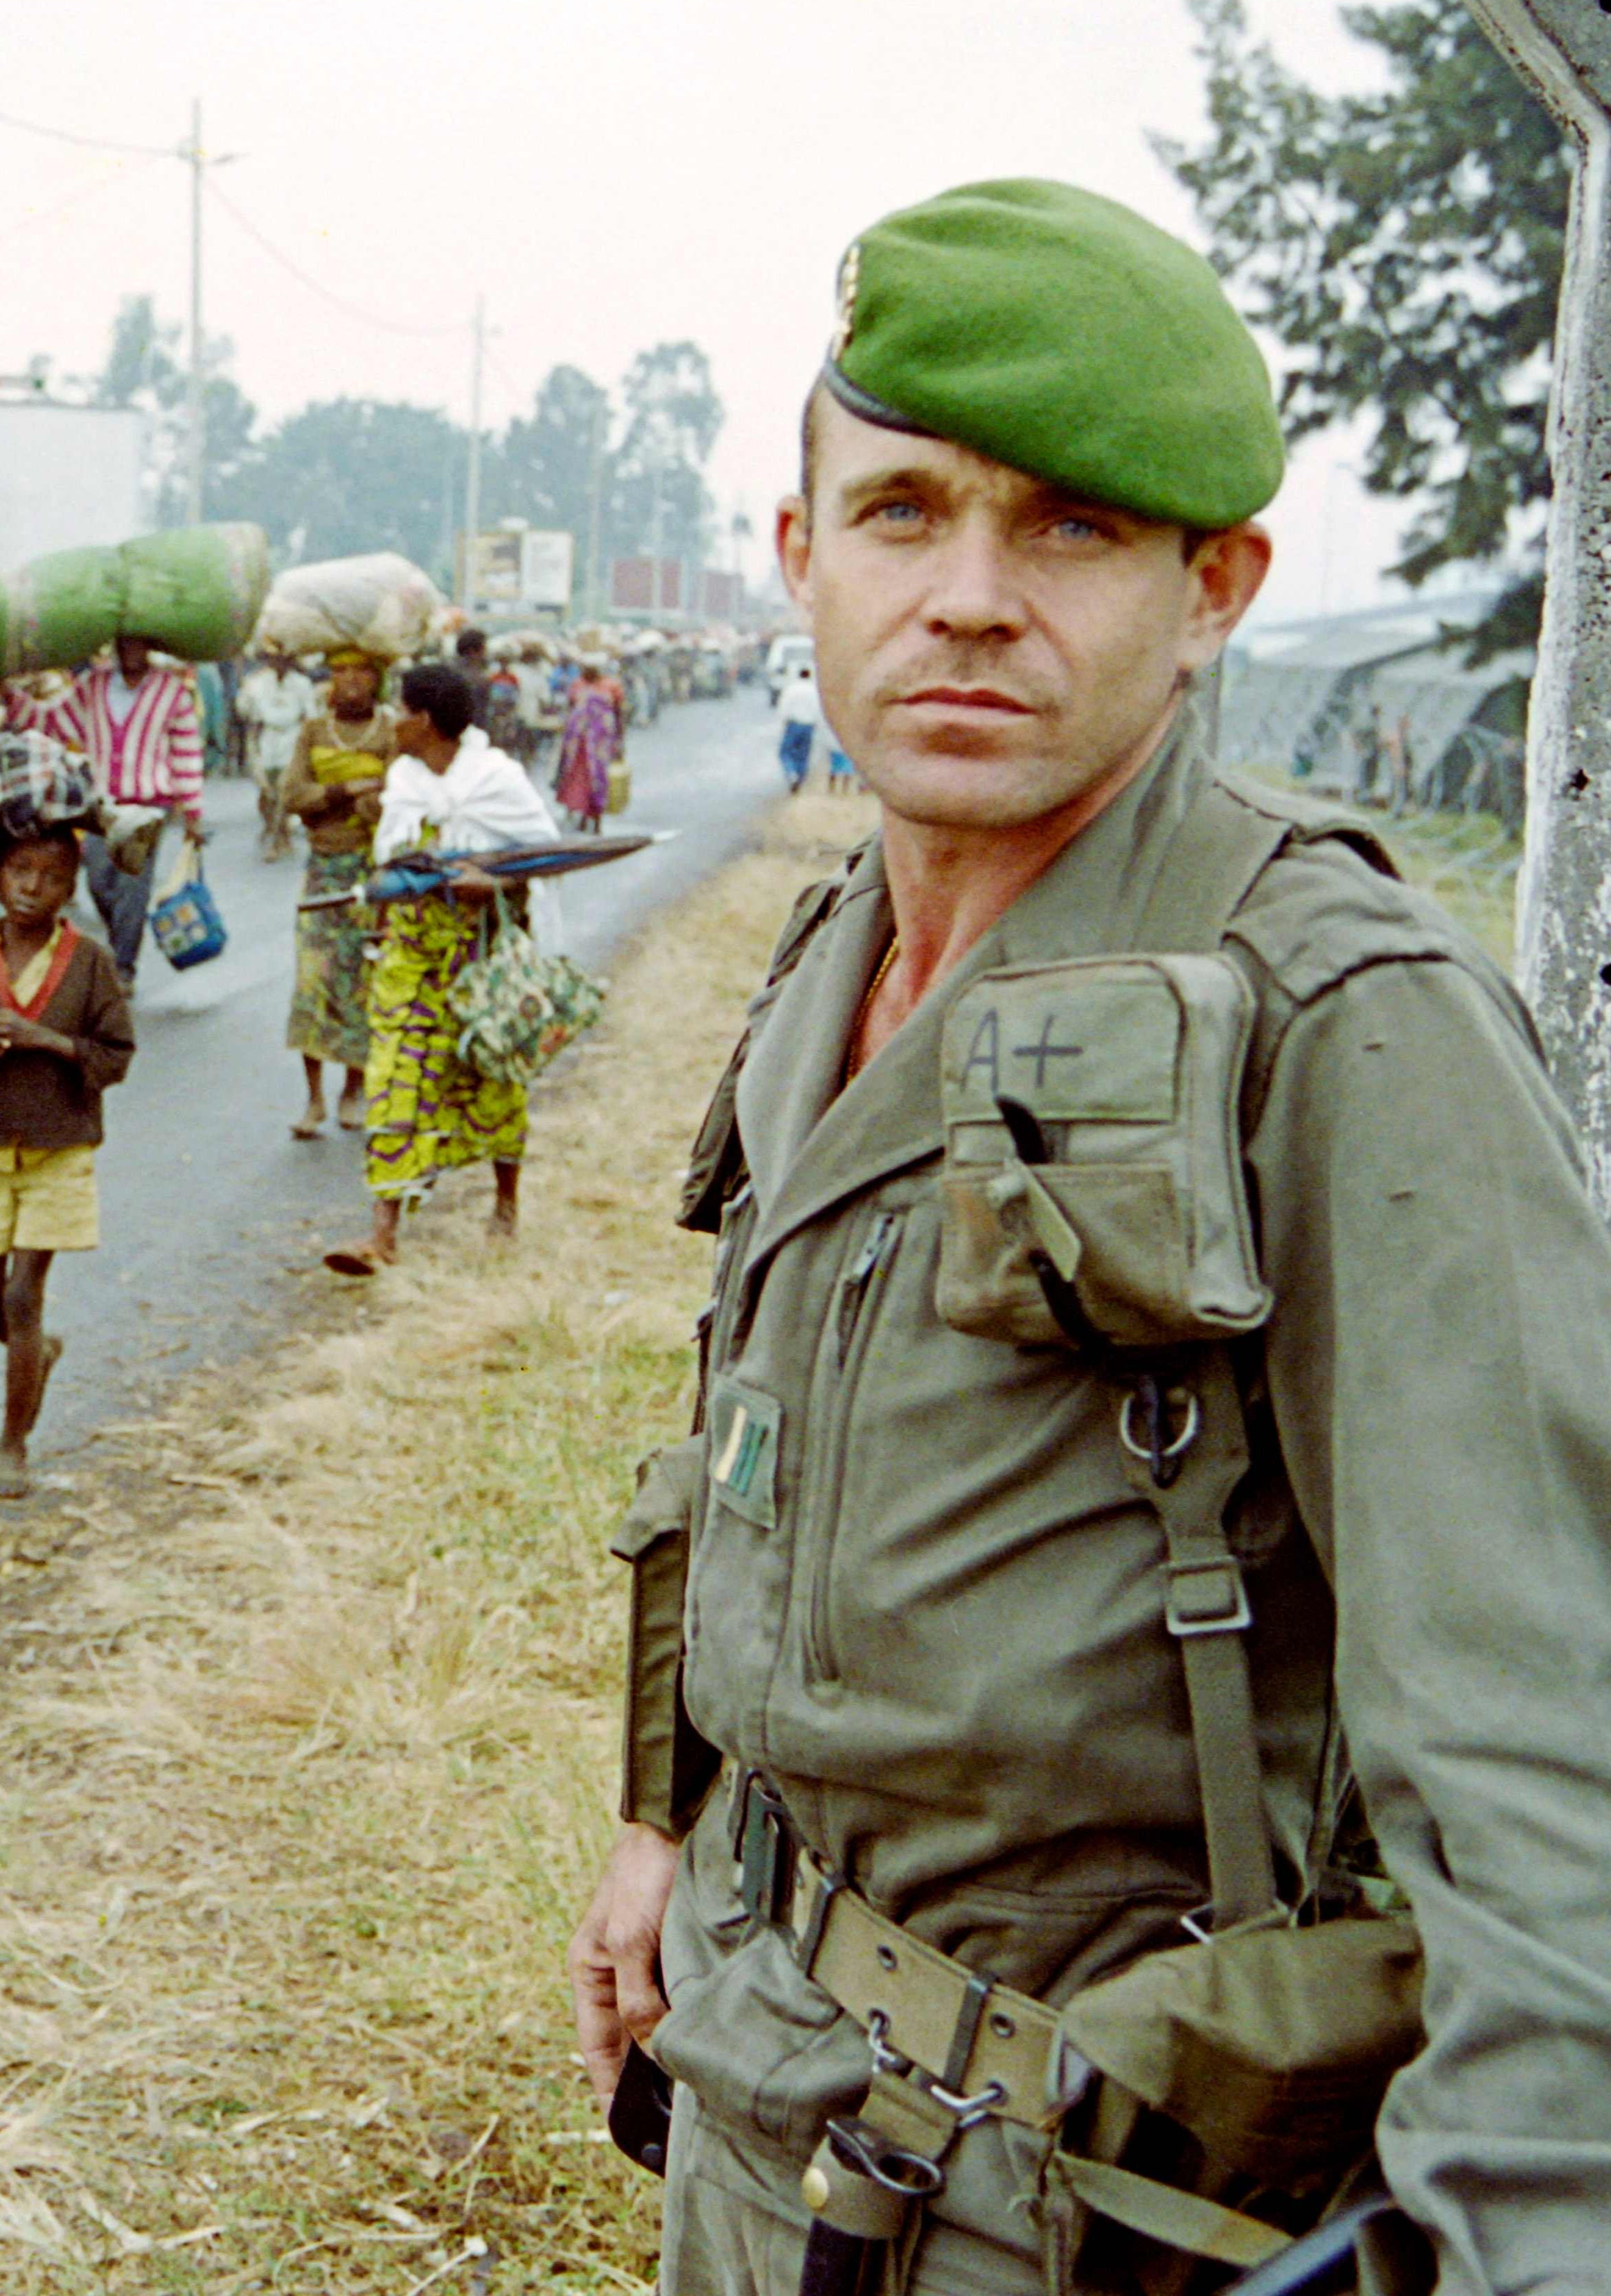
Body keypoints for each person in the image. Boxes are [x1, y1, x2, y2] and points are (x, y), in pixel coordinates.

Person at [567, 179, 1611, 2293]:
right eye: (901, 513)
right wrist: (671, 1819)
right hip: (766, 2097)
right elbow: (754, 1443)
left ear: (1210, 584)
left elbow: (1546, 1779)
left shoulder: (1332, 1012)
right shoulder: (833, 957)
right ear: (798, 560)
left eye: (1064, 528)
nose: (965, 595)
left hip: (1080, 2196)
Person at [0, 822, 135, 1499]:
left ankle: (12, 1447)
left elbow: (116, 1054)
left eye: (47, 875)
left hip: (57, 1148)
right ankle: (36, 1355)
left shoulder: (91, 963)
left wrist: (48, 1041)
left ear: (71, 888)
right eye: (17, 870)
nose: (30, 887)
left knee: (20, 1295)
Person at [320, 662, 558, 1275]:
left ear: (424, 720)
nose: (392, 722)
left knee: (493, 1078)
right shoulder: (403, 780)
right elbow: (391, 861)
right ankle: (383, 1236)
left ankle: (506, 1203)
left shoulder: (497, 779)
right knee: (395, 1079)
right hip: (410, 961)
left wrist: (493, 881)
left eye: (400, 711)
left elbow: (545, 852)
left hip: (480, 962)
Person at [11, 634, 204, 981]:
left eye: (137, 645)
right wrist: (11, 697)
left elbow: (186, 750)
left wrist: (193, 811)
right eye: (123, 645)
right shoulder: (93, 686)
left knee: (133, 886)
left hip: (149, 805)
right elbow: (53, 721)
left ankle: (124, 965)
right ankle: (121, 942)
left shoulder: (172, 691)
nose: (129, 652)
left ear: (150, 648)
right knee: (99, 880)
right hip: (101, 804)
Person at [280, 650, 398, 1139]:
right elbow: (294, 796)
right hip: (322, 872)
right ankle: (313, 1099)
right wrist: (348, 789)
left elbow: (391, 801)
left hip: (369, 876)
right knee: (313, 981)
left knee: (361, 982)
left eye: (361, 671)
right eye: (341, 670)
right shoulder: (313, 730)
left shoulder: (391, 732)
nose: (351, 681)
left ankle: (353, 1090)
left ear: (376, 678)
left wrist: (337, 798)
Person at [238, 652, 320, 855]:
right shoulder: (256, 683)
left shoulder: (302, 683)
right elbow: (246, 713)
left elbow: (309, 716)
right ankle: (274, 831)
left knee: (284, 791)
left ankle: (279, 839)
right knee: (267, 792)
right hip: (267, 740)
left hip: (292, 739)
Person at [551, 656, 620, 833]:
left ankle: (597, 821)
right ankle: (581, 816)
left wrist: (620, 741)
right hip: (578, 745)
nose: (587, 674)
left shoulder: (611, 686)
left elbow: (619, 714)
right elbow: (570, 710)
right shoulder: (576, 686)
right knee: (579, 780)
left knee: (599, 781)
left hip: (600, 745)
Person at [774, 657, 821, 794]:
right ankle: (800, 778)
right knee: (803, 754)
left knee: (785, 752)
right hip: (809, 725)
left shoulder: (792, 689)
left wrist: (782, 723)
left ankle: (791, 773)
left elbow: (784, 708)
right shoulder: (814, 690)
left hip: (794, 724)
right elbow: (819, 710)